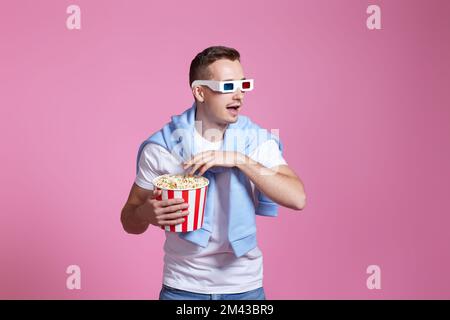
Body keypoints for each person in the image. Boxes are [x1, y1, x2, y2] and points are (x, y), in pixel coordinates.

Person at [120, 46, 306, 300]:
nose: (239, 96)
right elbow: (129, 220)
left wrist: (240, 160)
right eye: (229, 87)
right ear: (200, 91)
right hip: (182, 287)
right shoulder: (162, 147)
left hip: (245, 288)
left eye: (243, 85)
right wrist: (144, 213)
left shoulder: (256, 142)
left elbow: (297, 198)